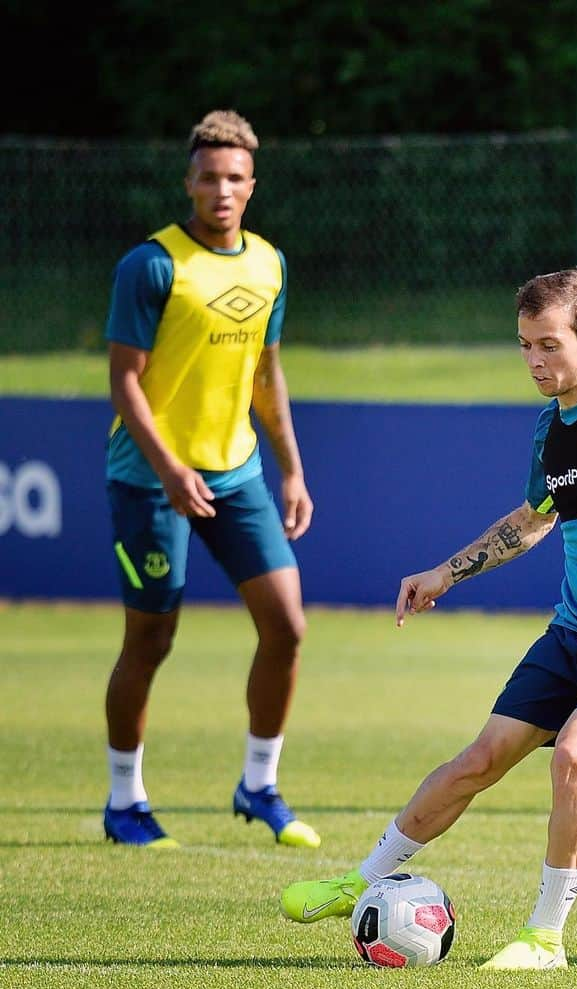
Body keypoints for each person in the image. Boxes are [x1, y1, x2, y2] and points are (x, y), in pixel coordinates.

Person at [279, 267, 577, 968]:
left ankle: (546, 937)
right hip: (574, 632)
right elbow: (530, 522)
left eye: (548, 345)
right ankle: (359, 882)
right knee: (479, 760)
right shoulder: (550, 428)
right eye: (524, 346)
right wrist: (444, 573)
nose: (534, 362)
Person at [102, 109, 321, 848]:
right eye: (208, 177)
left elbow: (266, 371)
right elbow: (125, 381)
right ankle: (124, 802)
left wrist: (291, 469)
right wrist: (168, 468)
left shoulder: (270, 264)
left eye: (234, 178)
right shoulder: (152, 265)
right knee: (151, 640)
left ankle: (259, 785)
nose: (220, 189)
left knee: (287, 627)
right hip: (148, 479)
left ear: (251, 185)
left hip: (237, 475)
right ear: (188, 182)